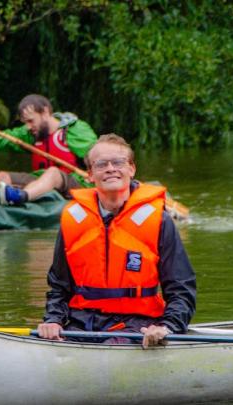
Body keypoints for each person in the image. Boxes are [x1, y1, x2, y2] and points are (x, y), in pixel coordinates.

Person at [36, 134, 196, 348]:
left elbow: (181, 287)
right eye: (101, 164)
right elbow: (59, 285)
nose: (110, 168)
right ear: (90, 174)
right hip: (80, 324)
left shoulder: (159, 220)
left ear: (131, 169)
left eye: (118, 162)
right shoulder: (73, 219)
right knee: (44, 342)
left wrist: (168, 327)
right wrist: (53, 320)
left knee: (112, 346)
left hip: (138, 326)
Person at [0, 94, 97, 205]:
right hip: (42, 181)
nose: (28, 126)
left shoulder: (75, 130)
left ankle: (21, 196)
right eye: (25, 122)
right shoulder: (30, 133)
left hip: (77, 183)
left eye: (31, 121)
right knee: (1, 176)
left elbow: (98, 156)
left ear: (45, 112)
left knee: (53, 173)